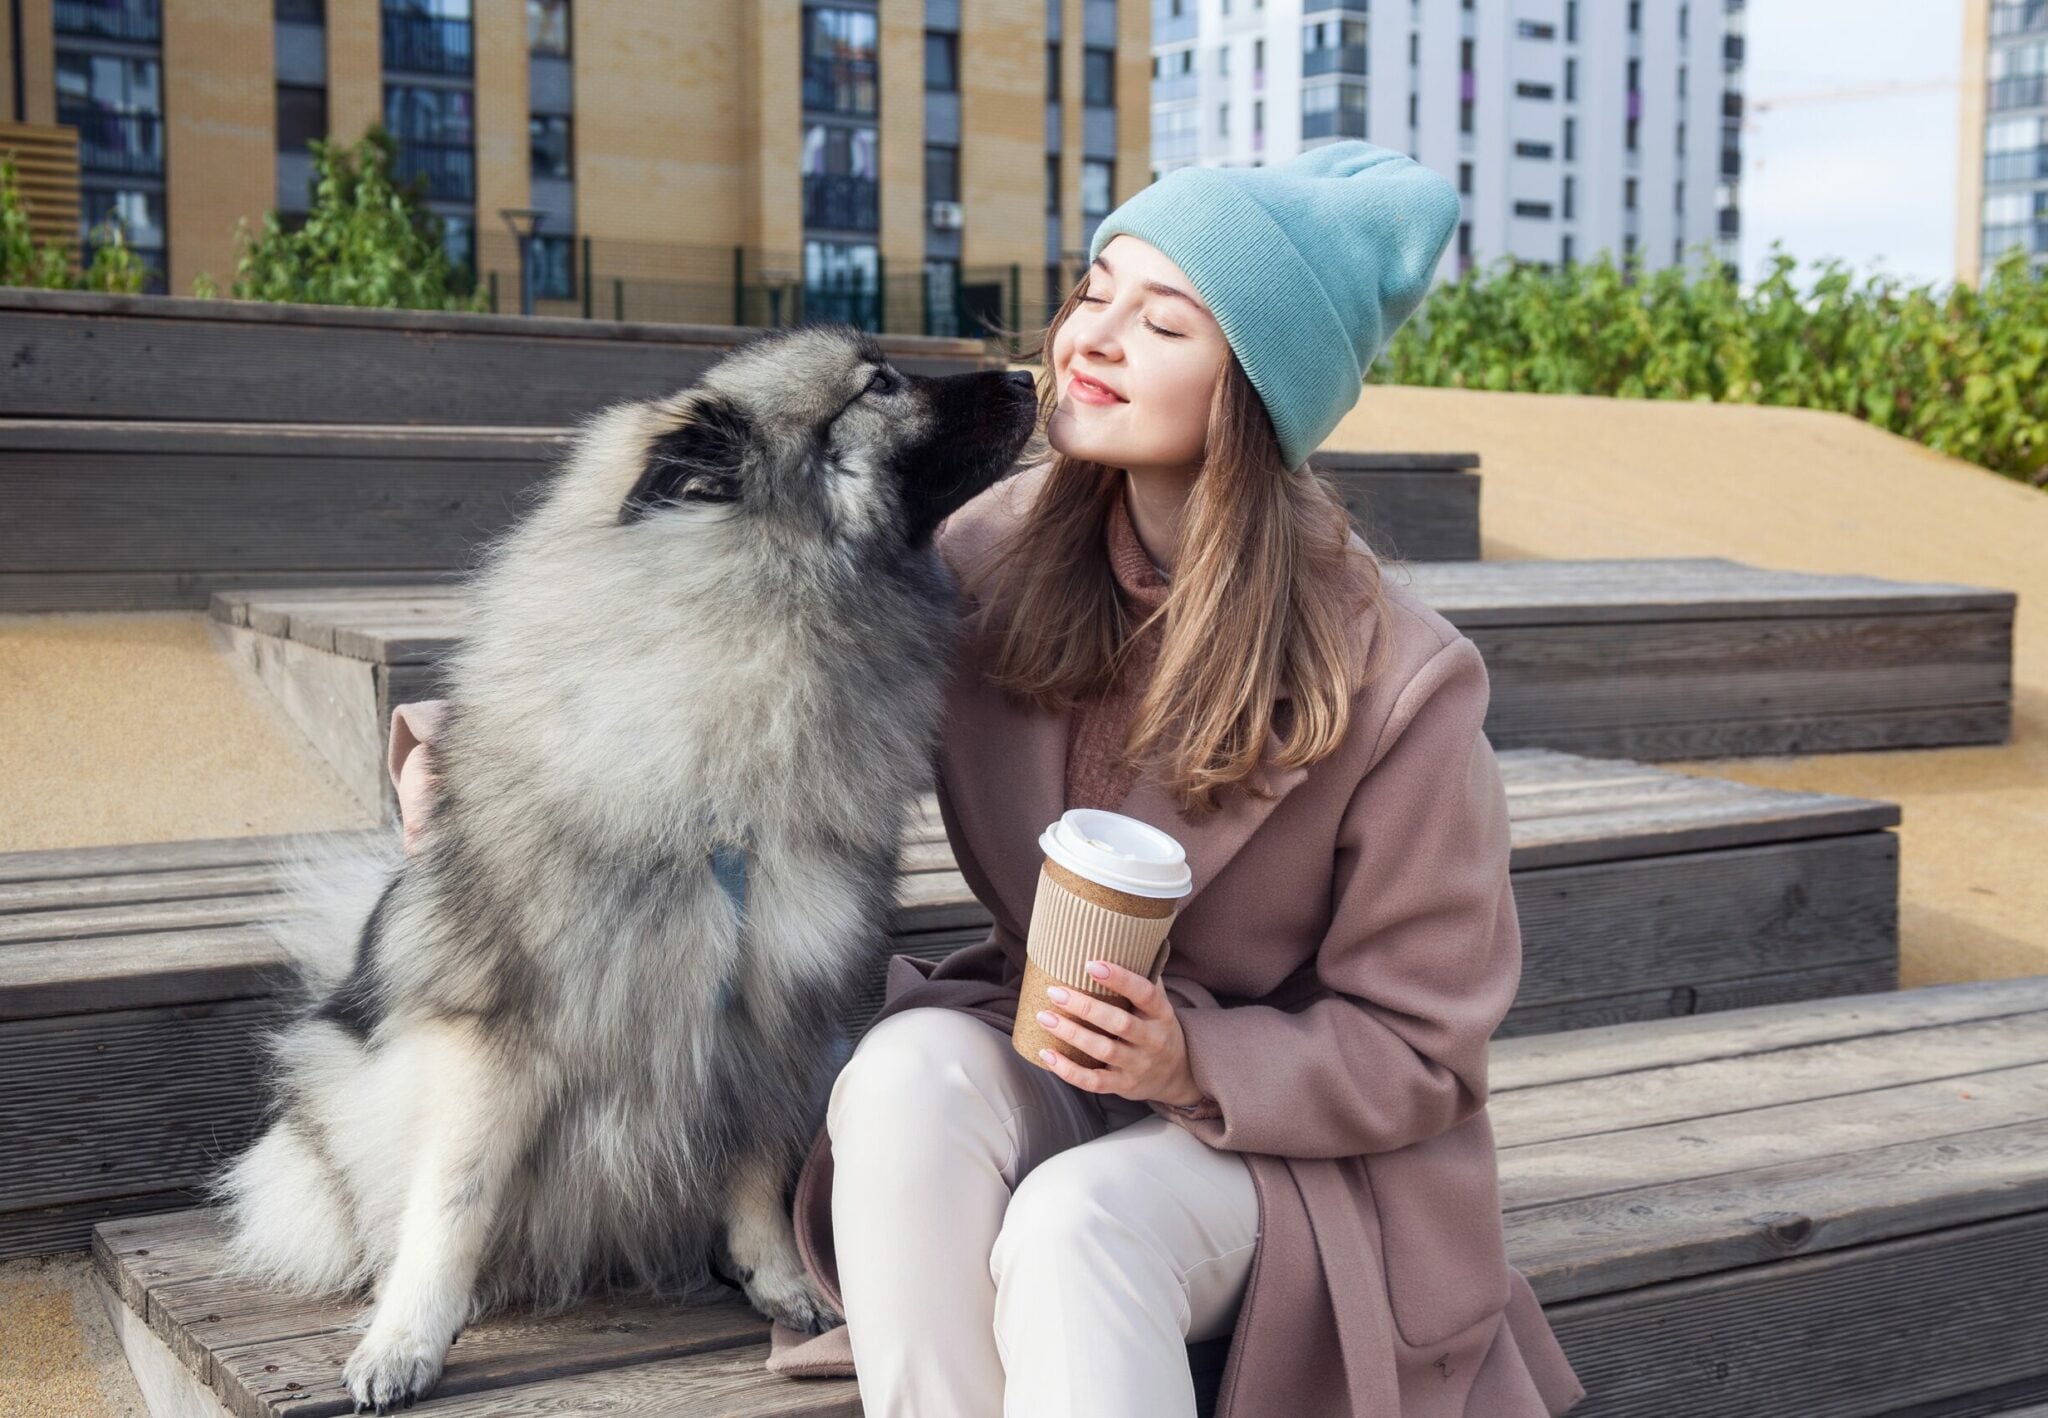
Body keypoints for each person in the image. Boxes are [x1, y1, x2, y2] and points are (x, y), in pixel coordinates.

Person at [388, 142, 1587, 1418]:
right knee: (897, 1077)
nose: (1092, 335)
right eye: (1095, 287)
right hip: (1053, 1053)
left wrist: (1193, 1063)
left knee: (1076, 1224)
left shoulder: (1402, 680)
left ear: (1257, 388)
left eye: (1163, 319)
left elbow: (1422, 1051)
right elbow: (719, 657)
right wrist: (458, 754)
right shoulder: (990, 552)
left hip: (1300, 1148)